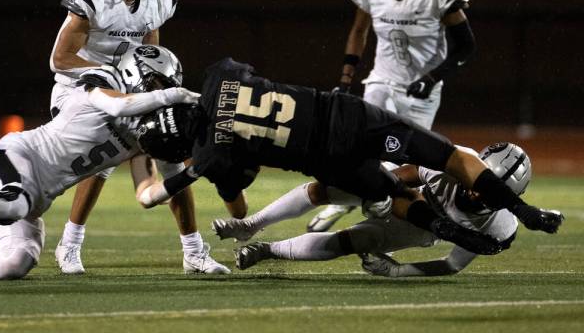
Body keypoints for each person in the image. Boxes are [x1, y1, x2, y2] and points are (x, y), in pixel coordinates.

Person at [133, 58, 563, 256]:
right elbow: (238, 77)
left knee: (391, 192)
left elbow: (158, 197)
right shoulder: (218, 75)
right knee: (447, 154)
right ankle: (522, 209)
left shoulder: (209, 157)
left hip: (326, 157)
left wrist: (180, 170)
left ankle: (448, 230)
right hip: (347, 115)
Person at [0, 46, 229, 279]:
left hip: (36, 197)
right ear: (133, 73)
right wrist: (182, 95)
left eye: (168, 86)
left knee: (15, 263)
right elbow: (120, 107)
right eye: (158, 83)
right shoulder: (100, 86)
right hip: (15, 157)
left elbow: (149, 196)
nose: (162, 93)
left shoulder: (147, 134)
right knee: (12, 204)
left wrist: (193, 170)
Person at [48, 0, 220, 274]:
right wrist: (112, 75)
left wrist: (155, 88)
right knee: (105, 157)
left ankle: (193, 252)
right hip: (79, 90)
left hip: (129, 91)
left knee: (173, 150)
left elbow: (149, 52)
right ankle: (69, 243)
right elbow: (60, 59)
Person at [308, 0, 476, 233]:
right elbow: (359, 32)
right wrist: (345, 80)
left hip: (421, 89)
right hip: (381, 80)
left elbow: (466, 46)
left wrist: (431, 78)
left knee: (401, 160)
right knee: (362, 143)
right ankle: (340, 201)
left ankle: (378, 206)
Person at [213, 143, 533, 274]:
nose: (478, 195)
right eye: (480, 183)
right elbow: (410, 172)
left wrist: (398, 272)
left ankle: (267, 250)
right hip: (407, 190)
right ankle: (252, 223)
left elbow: (451, 264)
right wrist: (372, 189)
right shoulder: (457, 161)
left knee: (352, 242)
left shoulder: (499, 228)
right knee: (329, 189)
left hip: (420, 227)